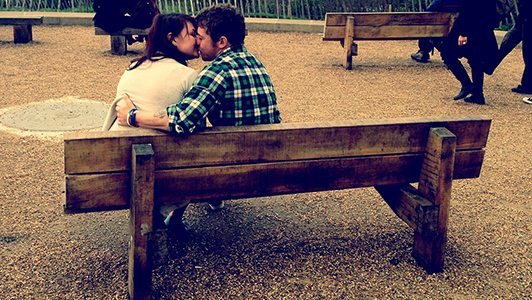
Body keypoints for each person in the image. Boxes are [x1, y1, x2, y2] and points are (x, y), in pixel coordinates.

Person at [114, 4, 282, 233]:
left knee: (192, 141)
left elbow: (181, 120)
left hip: (232, 171)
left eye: (200, 37)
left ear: (221, 42)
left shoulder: (217, 71)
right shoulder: (254, 62)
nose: (197, 42)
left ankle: (165, 214)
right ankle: (203, 204)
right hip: (270, 165)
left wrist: (132, 116)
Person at [102, 13, 200, 132]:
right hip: (156, 148)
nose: (198, 40)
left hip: (115, 141)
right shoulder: (188, 76)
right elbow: (195, 127)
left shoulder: (133, 67)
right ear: (173, 39)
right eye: (193, 34)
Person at [439, 0, 499, 105]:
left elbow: (470, 8)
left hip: (470, 27)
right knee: (476, 58)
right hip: (483, 26)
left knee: (446, 51)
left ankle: (467, 85)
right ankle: (478, 94)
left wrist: (463, 33)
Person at [485, 0, 532, 97]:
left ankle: (527, 85)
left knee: (528, 54)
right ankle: (490, 65)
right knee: (509, 40)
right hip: (523, 18)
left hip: (527, 18)